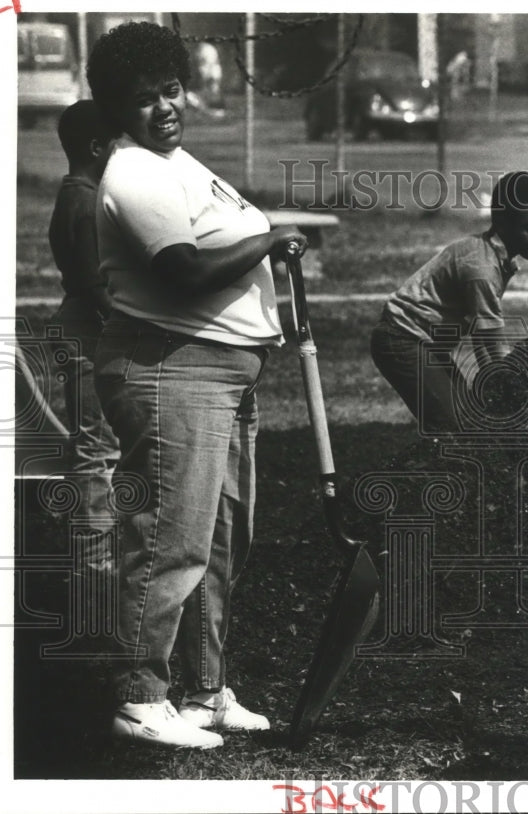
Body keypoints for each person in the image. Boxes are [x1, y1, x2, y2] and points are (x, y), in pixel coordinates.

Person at [86, 21, 308, 749]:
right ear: (118, 108)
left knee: (220, 540)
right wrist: (271, 239)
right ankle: (140, 694)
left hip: (226, 374)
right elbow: (180, 271)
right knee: (170, 540)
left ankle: (205, 689)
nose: (164, 107)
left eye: (171, 89)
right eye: (144, 98)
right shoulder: (135, 173)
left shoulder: (178, 162)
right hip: (173, 367)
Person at [370, 171, 528, 433]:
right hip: (402, 341)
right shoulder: (482, 268)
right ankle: (428, 473)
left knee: (470, 420)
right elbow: (494, 343)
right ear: (501, 221)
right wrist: (517, 388)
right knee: (453, 427)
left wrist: (495, 381)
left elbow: (481, 334)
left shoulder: (493, 255)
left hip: (425, 344)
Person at [47, 100, 120, 575]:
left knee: (95, 443)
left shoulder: (70, 193)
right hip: (87, 333)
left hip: (76, 327)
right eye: (116, 144)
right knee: (98, 447)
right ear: (97, 147)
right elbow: (96, 287)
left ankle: (95, 545)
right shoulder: (85, 202)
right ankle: (93, 558)